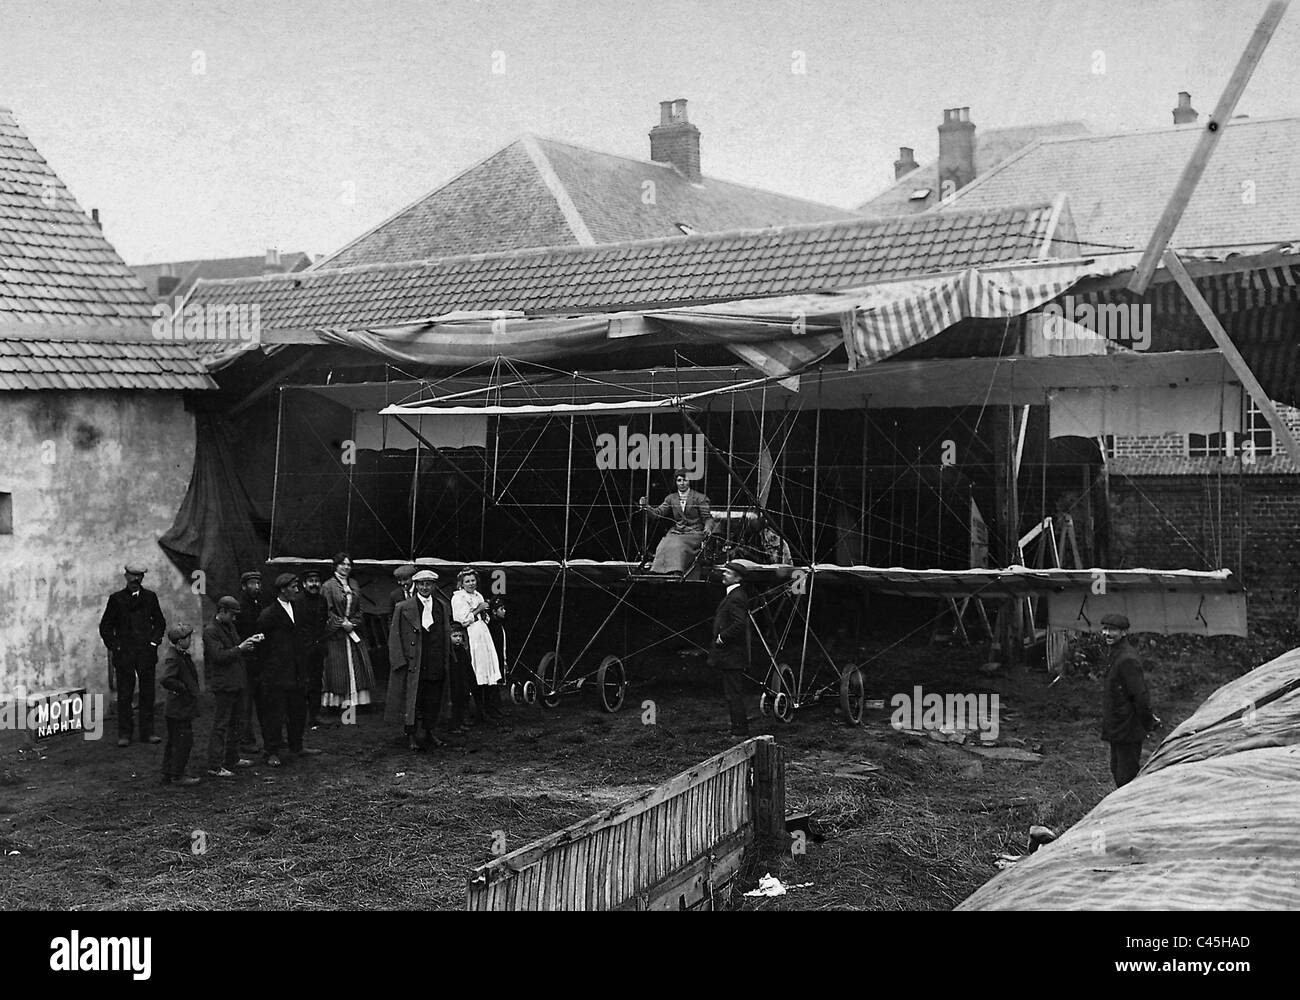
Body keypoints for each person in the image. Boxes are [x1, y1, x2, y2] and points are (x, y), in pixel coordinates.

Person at [257, 573, 323, 767]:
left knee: (298, 711)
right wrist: (269, 671)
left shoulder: (298, 608)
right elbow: (262, 647)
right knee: (275, 714)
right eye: (293, 587)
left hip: (297, 671)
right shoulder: (269, 614)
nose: (297, 590)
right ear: (283, 589)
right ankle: (271, 751)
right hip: (277, 674)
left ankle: (297, 745)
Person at [98, 563, 167, 747]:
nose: (135, 580)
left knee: (147, 693)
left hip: (146, 653)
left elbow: (160, 622)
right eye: (132, 576)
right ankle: (124, 734)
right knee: (125, 695)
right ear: (126, 576)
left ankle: (148, 732)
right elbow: (105, 626)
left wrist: (154, 642)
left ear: (143, 578)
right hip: (125, 654)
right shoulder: (116, 599)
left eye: (139, 577)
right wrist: (115, 646)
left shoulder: (150, 597)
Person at [386, 569, 452, 750]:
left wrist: (448, 657)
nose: (425, 587)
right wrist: (398, 661)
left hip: (435, 660)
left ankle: (430, 732)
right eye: (421, 583)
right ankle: (411, 735)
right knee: (413, 699)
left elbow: (446, 632)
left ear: (434, 585)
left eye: (428, 584)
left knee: (433, 698)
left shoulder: (441, 606)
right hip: (415, 662)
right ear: (416, 585)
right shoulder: (404, 607)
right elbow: (394, 636)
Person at [1099, 613, 1161, 787]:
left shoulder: (1127, 659)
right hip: (1117, 724)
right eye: (1105, 629)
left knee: (1126, 775)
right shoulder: (1115, 654)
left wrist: (1148, 722)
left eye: (1112, 630)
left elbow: (1139, 695)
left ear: (1124, 632)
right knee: (1117, 768)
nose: (1107, 633)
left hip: (1127, 726)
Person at [203, 596, 257, 778]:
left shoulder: (229, 626)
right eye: (232, 615)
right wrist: (241, 648)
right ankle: (214, 765)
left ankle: (232, 758)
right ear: (222, 611)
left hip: (237, 682)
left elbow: (234, 648)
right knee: (221, 725)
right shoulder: (210, 631)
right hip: (224, 685)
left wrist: (249, 642)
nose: (235, 619)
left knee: (237, 723)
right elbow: (218, 657)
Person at [321, 553, 376, 711]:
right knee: (338, 668)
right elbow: (327, 610)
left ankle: (356, 702)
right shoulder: (328, 586)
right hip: (336, 635)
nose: (346, 567)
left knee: (357, 666)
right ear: (335, 566)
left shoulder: (354, 583)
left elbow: (359, 609)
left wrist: (352, 623)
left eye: (348, 565)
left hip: (352, 631)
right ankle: (337, 703)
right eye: (342, 564)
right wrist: (341, 623)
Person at [638, 471, 716, 577]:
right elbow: (658, 513)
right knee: (663, 544)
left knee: (679, 545)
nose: (682, 483)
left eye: (685, 480)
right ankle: (656, 570)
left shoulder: (700, 498)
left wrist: (708, 528)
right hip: (677, 531)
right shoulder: (671, 498)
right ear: (675, 482)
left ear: (689, 481)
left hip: (694, 532)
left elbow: (708, 518)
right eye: (679, 480)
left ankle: (677, 570)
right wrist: (646, 507)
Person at [451, 568, 504, 721]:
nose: (471, 583)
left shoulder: (478, 595)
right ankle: (480, 710)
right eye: (467, 581)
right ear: (461, 583)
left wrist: (484, 611)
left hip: (482, 632)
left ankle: (491, 708)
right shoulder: (458, 598)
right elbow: (461, 620)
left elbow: (483, 617)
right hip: (471, 634)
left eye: (473, 580)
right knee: (477, 670)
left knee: (488, 669)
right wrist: (478, 609)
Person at [710, 561, 752, 738]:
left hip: (732, 654)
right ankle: (737, 728)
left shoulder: (736, 597)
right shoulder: (734, 595)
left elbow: (739, 624)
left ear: (738, 577)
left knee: (734, 693)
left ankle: (740, 731)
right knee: (731, 693)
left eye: (727, 572)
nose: (723, 575)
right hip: (730, 654)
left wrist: (722, 637)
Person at [158, 624, 201, 787]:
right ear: (180, 641)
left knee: (174, 741)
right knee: (183, 741)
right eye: (188, 638)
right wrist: (183, 688)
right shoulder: (174, 657)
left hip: (177, 707)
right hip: (179, 708)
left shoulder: (179, 654)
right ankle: (178, 775)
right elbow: (166, 679)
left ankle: (168, 773)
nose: (190, 640)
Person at [234, 570, 267, 753]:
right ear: (244, 586)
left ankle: (265, 736)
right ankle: (245, 739)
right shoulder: (239, 607)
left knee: (263, 699)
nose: (256, 587)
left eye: (258, 584)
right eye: (252, 584)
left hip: (259, 659)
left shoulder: (259, 604)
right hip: (245, 659)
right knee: (245, 701)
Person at [295, 568, 329, 728]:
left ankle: (314, 716)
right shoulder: (297, 601)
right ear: (304, 584)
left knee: (316, 684)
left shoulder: (322, 600)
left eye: (316, 581)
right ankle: (301, 717)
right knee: (303, 684)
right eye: (311, 581)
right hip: (303, 650)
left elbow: (322, 625)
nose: (314, 584)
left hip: (318, 648)